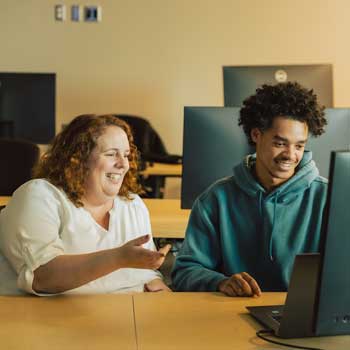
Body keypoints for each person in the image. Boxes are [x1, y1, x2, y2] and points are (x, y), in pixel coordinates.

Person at [172, 82, 328, 297]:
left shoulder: (330, 198)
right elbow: (184, 272)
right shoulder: (216, 199)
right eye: (280, 143)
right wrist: (221, 282)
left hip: (305, 318)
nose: (290, 155)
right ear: (256, 135)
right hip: (231, 316)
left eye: (299, 146)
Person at [0, 114, 171, 295]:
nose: (123, 164)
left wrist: (155, 282)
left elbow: (145, 272)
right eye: (111, 154)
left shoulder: (133, 205)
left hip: (123, 316)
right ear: (78, 159)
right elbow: (43, 277)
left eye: (126, 155)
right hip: (46, 318)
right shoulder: (40, 196)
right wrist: (118, 258)